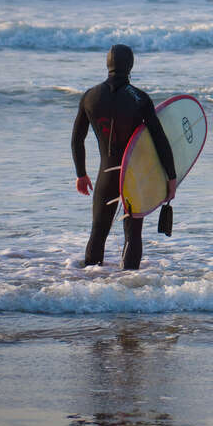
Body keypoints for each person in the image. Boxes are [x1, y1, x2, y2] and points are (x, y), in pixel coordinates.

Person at [71, 44, 176, 269]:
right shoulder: (140, 99)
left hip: (106, 175)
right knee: (133, 234)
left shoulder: (90, 97)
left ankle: (87, 285)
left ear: (107, 64)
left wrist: (81, 174)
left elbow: (77, 139)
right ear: (130, 65)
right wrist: (171, 177)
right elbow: (160, 140)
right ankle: (129, 284)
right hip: (133, 177)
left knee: (98, 232)